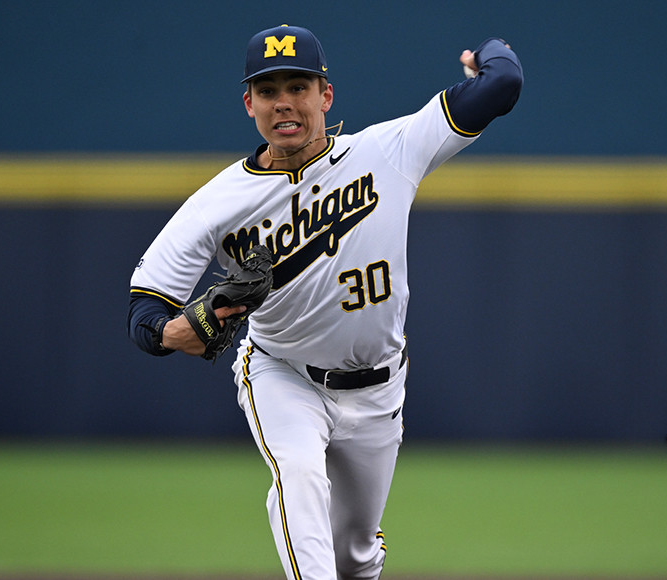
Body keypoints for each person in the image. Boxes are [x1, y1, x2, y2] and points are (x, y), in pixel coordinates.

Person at [128, 24, 522, 579]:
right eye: (267, 91)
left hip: (380, 385)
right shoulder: (216, 203)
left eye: (298, 86)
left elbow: (503, 83)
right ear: (249, 104)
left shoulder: (387, 151)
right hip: (282, 372)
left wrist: (485, 53)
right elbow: (144, 315)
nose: (283, 103)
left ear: (325, 95)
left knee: (356, 553)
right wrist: (177, 332)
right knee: (299, 476)